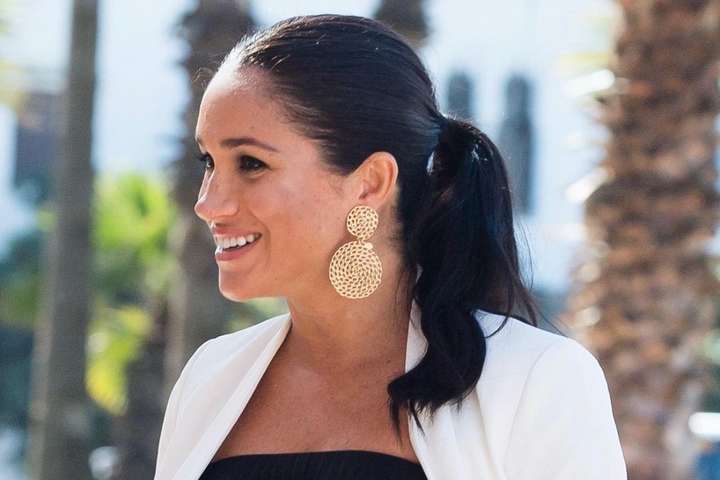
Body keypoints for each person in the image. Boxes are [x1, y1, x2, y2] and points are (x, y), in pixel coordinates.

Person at [153, 14, 628, 480]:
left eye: (251, 164)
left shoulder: (536, 380)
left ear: (371, 183)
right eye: (208, 162)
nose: (208, 203)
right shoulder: (209, 378)